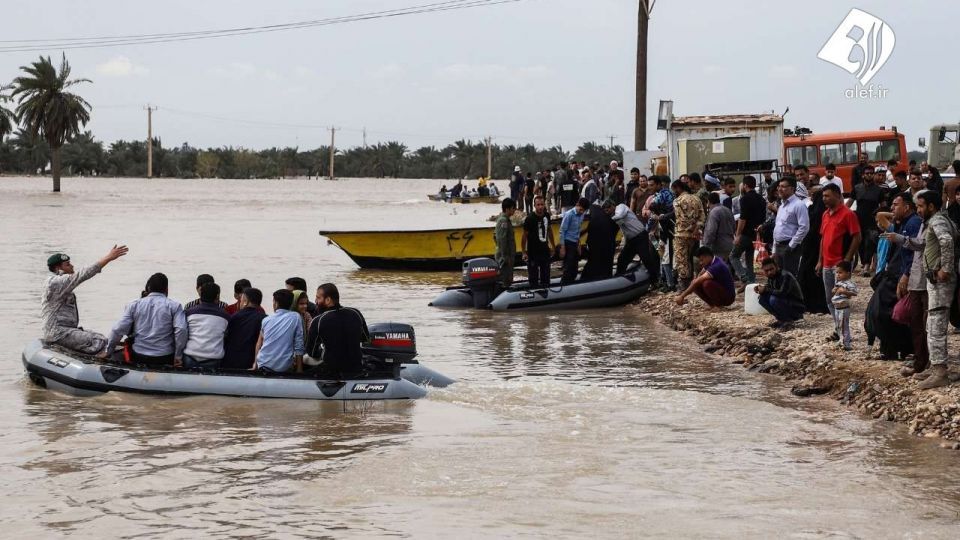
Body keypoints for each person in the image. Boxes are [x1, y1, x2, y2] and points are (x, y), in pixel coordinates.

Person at [899, 191, 957, 389]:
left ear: (931, 206)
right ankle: (935, 369)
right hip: (935, 281)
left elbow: (947, 241)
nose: (918, 210)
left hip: (941, 283)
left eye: (921, 206)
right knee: (932, 324)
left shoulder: (938, 221)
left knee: (935, 326)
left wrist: (945, 269)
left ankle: (940, 372)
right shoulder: (937, 220)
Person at [41, 245, 129, 355]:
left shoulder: (61, 284)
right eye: (68, 264)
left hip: (65, 330)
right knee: (99, 341)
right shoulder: (56, 283)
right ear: (58, 269)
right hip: (58, 333)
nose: (72, 266)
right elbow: (83, 274)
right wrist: (108, 258)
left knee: (103, 338)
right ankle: (96, 359)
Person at [869, 194, 921, 361]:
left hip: (901, 275)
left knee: (890, 313)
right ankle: (891, 349)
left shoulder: (913, 223)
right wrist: (897, 213)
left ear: (907, 207)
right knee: (879, 312)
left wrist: (905, 275)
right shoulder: (903, 223)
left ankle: (904, 350)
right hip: (893, 273)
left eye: (895, 205)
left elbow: (913, 252)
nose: (891, 208)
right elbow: (880, 216)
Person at [106, 273, 188, 366]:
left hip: (138, 356)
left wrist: (108, 351)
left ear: (148, 288)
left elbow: (118, 329)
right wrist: (178, 356)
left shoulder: (134, 305)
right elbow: (181, 330)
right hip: (165, 357)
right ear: (166, 289)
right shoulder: (175, 306)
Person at [817, 183, 862, 334]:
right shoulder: (825, 214)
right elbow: (823, 239)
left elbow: (857, 237)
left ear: (837, 195)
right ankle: (838, 328)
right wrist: (820, 260)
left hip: (839, 264)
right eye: (823, 196)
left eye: (827, 195)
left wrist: (847, 259)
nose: (824, 199)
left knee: (840, 300)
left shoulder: (848, 214)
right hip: (826, 264)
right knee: (830, 299)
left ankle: (844, 332)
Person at [305, 283, 370, 377]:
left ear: (328, 300)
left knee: (305, 358)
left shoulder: (318, 320)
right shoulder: (356, 313)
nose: (315, 301)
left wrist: (323, 349)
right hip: (356, 367)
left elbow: (312, 352)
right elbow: (365, 339)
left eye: (318, 298)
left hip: (331, 370)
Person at [848, 163, 885, 276]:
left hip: (873, 220)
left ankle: (867, 266)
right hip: (859, 219)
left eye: (871, 173)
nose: (869, 175)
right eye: (867, 173)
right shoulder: (857, 188)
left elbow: (883, 206)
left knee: (869, 241)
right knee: (860, 242)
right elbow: (849, 202)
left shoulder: (879, 190)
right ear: (863, 175)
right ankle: (864, 264)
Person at [254, 289, 304, 373]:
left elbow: (259, 344)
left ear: (276, 303)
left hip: (263, 363)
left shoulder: (266, 320)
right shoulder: (295, 317)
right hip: (284, 367)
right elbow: (299, 344)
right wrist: (299, 369)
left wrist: (255, 365)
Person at [182, 282, 230, 369]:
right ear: (217, 296)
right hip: (213, 359)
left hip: (190, 357)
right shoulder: (225, 316)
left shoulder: (189, 313)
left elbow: (182, 333)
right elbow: (226, 336)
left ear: (200, 295)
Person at [730, 176, 766, 286]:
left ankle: (743, 276)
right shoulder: (761, 199)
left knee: (733, 256)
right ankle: (752, 282)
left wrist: (737, 235)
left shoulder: (744, 199)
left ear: (745, 185)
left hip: (745, 234)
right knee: (750, 259)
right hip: (756, 234)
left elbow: (743, 219)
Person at [672, 180, 706, 290]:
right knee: (693, 257)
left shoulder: (678, 201)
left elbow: (681, 219)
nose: (674, 192)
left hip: (681, 234)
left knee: (682, 259)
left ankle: (684, 285)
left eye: (674, 189)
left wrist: (691, 229)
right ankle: (697, 280)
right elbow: (702, 216)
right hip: (695, 235)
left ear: (678, 188)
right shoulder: (697, 198)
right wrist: (696, 229)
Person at [772, 177, 810, 277]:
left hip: (790, 247)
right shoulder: (781, 206)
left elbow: (804, 227)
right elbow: (778, 227)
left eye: (783, 187)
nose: (780, 189)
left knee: (790, 277)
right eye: (779, 186)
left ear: (792, 189)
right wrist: (774, 249)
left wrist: (791, 245)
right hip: (779, 246)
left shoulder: (799, 205)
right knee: (780, 276)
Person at [222, 287, 267, 370]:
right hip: (252, 363)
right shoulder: (265, 319)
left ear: (245, 302)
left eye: (241, 300)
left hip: (230, 362)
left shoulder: (234, 317)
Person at [611, 202, 658, 280]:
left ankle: (655, 280)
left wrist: (610, 219)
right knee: (622, 259)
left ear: (612, 206)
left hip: (640, 236)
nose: (607, 212)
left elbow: (620, 216)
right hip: (631, 240)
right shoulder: (613, 216)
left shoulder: (620, 207)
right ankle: (619, 278)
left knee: (645, 258)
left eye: (607, 210)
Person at [755, 258, 805, 327]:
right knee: (761, 299)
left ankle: (789, 320)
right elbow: (770, 288)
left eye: (771, 269)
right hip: (785, 303)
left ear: (776, 267)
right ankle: (782, 319)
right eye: (766, 271)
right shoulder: (771, 277)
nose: (769, 272)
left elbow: (782, 293)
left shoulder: (785, 275)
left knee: (773, 299)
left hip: (796, 307)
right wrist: (760, 289)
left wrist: (765, 289)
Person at [522, 195, 556, 288]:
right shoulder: (529, 219)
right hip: (533, 253)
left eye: (542, 204)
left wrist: (553, 246)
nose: (540, 207)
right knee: (533, 278)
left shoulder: (547, 215)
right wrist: (524, 252)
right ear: (534, 205)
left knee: (546, 276)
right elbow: (524, 236)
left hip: (545, 251)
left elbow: (549, 231)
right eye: (538, 205)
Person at [581, 200, 618, 281]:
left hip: (596, 242)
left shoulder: (594, 211)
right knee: (604, 262)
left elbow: (589, 227)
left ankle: (585, 278)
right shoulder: (609, 219)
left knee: (593, 261)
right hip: (605, 243)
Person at [559, 198, 589, 283]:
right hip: (568, 242)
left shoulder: (581, 215)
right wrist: (563, 247)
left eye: (584, 211)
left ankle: (572, 282)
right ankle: (564, 283)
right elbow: (562, 231)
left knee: (575, 266)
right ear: (577, 205)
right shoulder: (569, 215)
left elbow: (577, 230)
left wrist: (578, 244)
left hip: (575, 242)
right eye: (581, 210)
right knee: (568, 266)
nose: (582, 212)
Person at [830, 261, 858, 351]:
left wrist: (844, 291)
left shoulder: (849, 283)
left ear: (847, 273)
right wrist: (834, 290)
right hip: (837, 308)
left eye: (840, 272)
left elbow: (854, 293)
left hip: (843, 308)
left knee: (844, 326)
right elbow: (834, 292)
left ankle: (846, 343)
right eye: (837, 272)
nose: (838, 275)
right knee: (838, 325)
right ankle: (841, 340)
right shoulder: (839, 283)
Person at [702, 192, 735, 262]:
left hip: (718, 246)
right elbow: (734, 226)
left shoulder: (714, 212)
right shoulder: (727, 210)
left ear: (709, 201)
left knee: (717, 268)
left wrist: (706, 245)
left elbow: (711, 231)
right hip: (729, 244)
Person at [494, 198, 518, 288]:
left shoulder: (505, 220)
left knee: (508, 280)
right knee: (505, 281)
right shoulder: (503, 221)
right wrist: (505, 257)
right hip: (505, 258)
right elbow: (501, 240)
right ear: (507, 209)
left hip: (507, 256)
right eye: (513, 208)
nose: (514, 210)